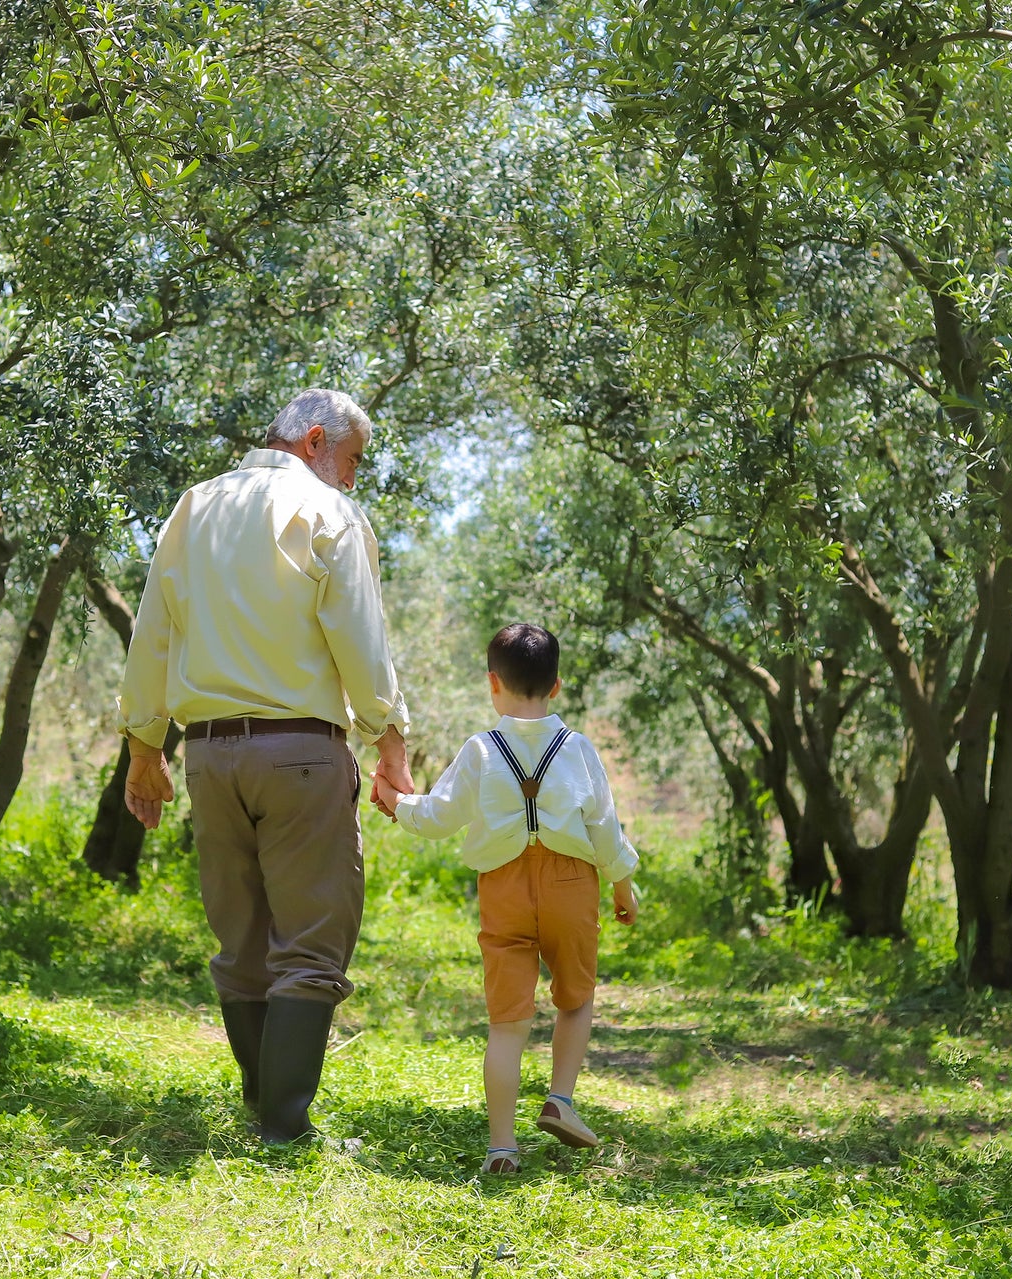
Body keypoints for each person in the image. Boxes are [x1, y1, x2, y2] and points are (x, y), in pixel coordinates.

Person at [117, 388, 414, 1144]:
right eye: (351, 460)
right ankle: (285, 1126)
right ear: (315, 440)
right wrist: (390, 737)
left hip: (210, 759)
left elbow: (153, 633)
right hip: (302, 754)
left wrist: (144, 748)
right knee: (312, 940)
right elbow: (359, 635)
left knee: (241, 939)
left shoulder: (194, 507)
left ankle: (261, 1105)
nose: (351, 479)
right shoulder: (329, 513)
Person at [376, 622, 638, 1175]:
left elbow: (439, 816)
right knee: (576, 996)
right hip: (571, 884)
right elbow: (605, 828)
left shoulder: (480, 750)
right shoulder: (579, 749)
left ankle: (502, 1148)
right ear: (557, 687)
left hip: (503, 885)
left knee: (507, 1023)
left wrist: (396, 803)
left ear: (492, 684)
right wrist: (622, 883)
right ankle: (560, 1099)